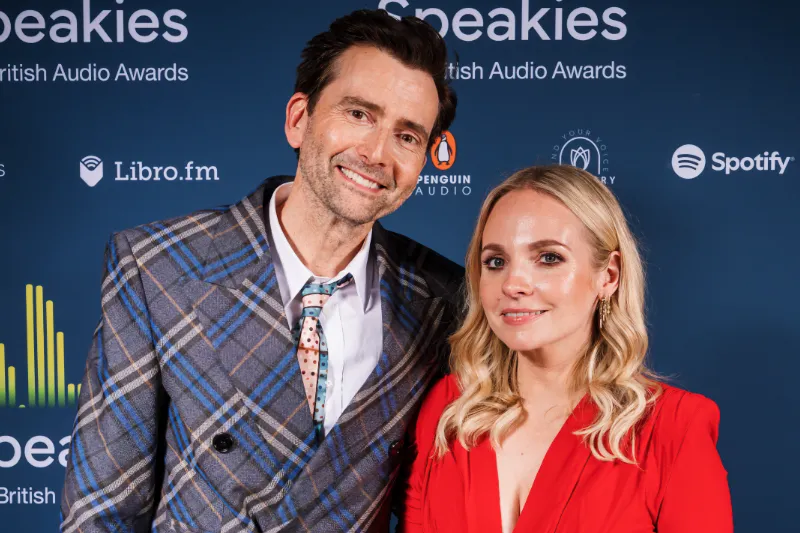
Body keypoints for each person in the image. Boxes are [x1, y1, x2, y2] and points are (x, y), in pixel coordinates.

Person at [59, 9, 462, 533]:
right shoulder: (157, 264)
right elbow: (101, 512)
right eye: (359, 114)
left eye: (408, 137)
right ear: (299, 119)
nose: (377, 153)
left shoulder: (443, 299)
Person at [399, 165, 733, 532]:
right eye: (496, 262)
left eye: (548, 258)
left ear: (609, 276)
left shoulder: (673, 429)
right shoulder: (448, 412)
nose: (513, 283)